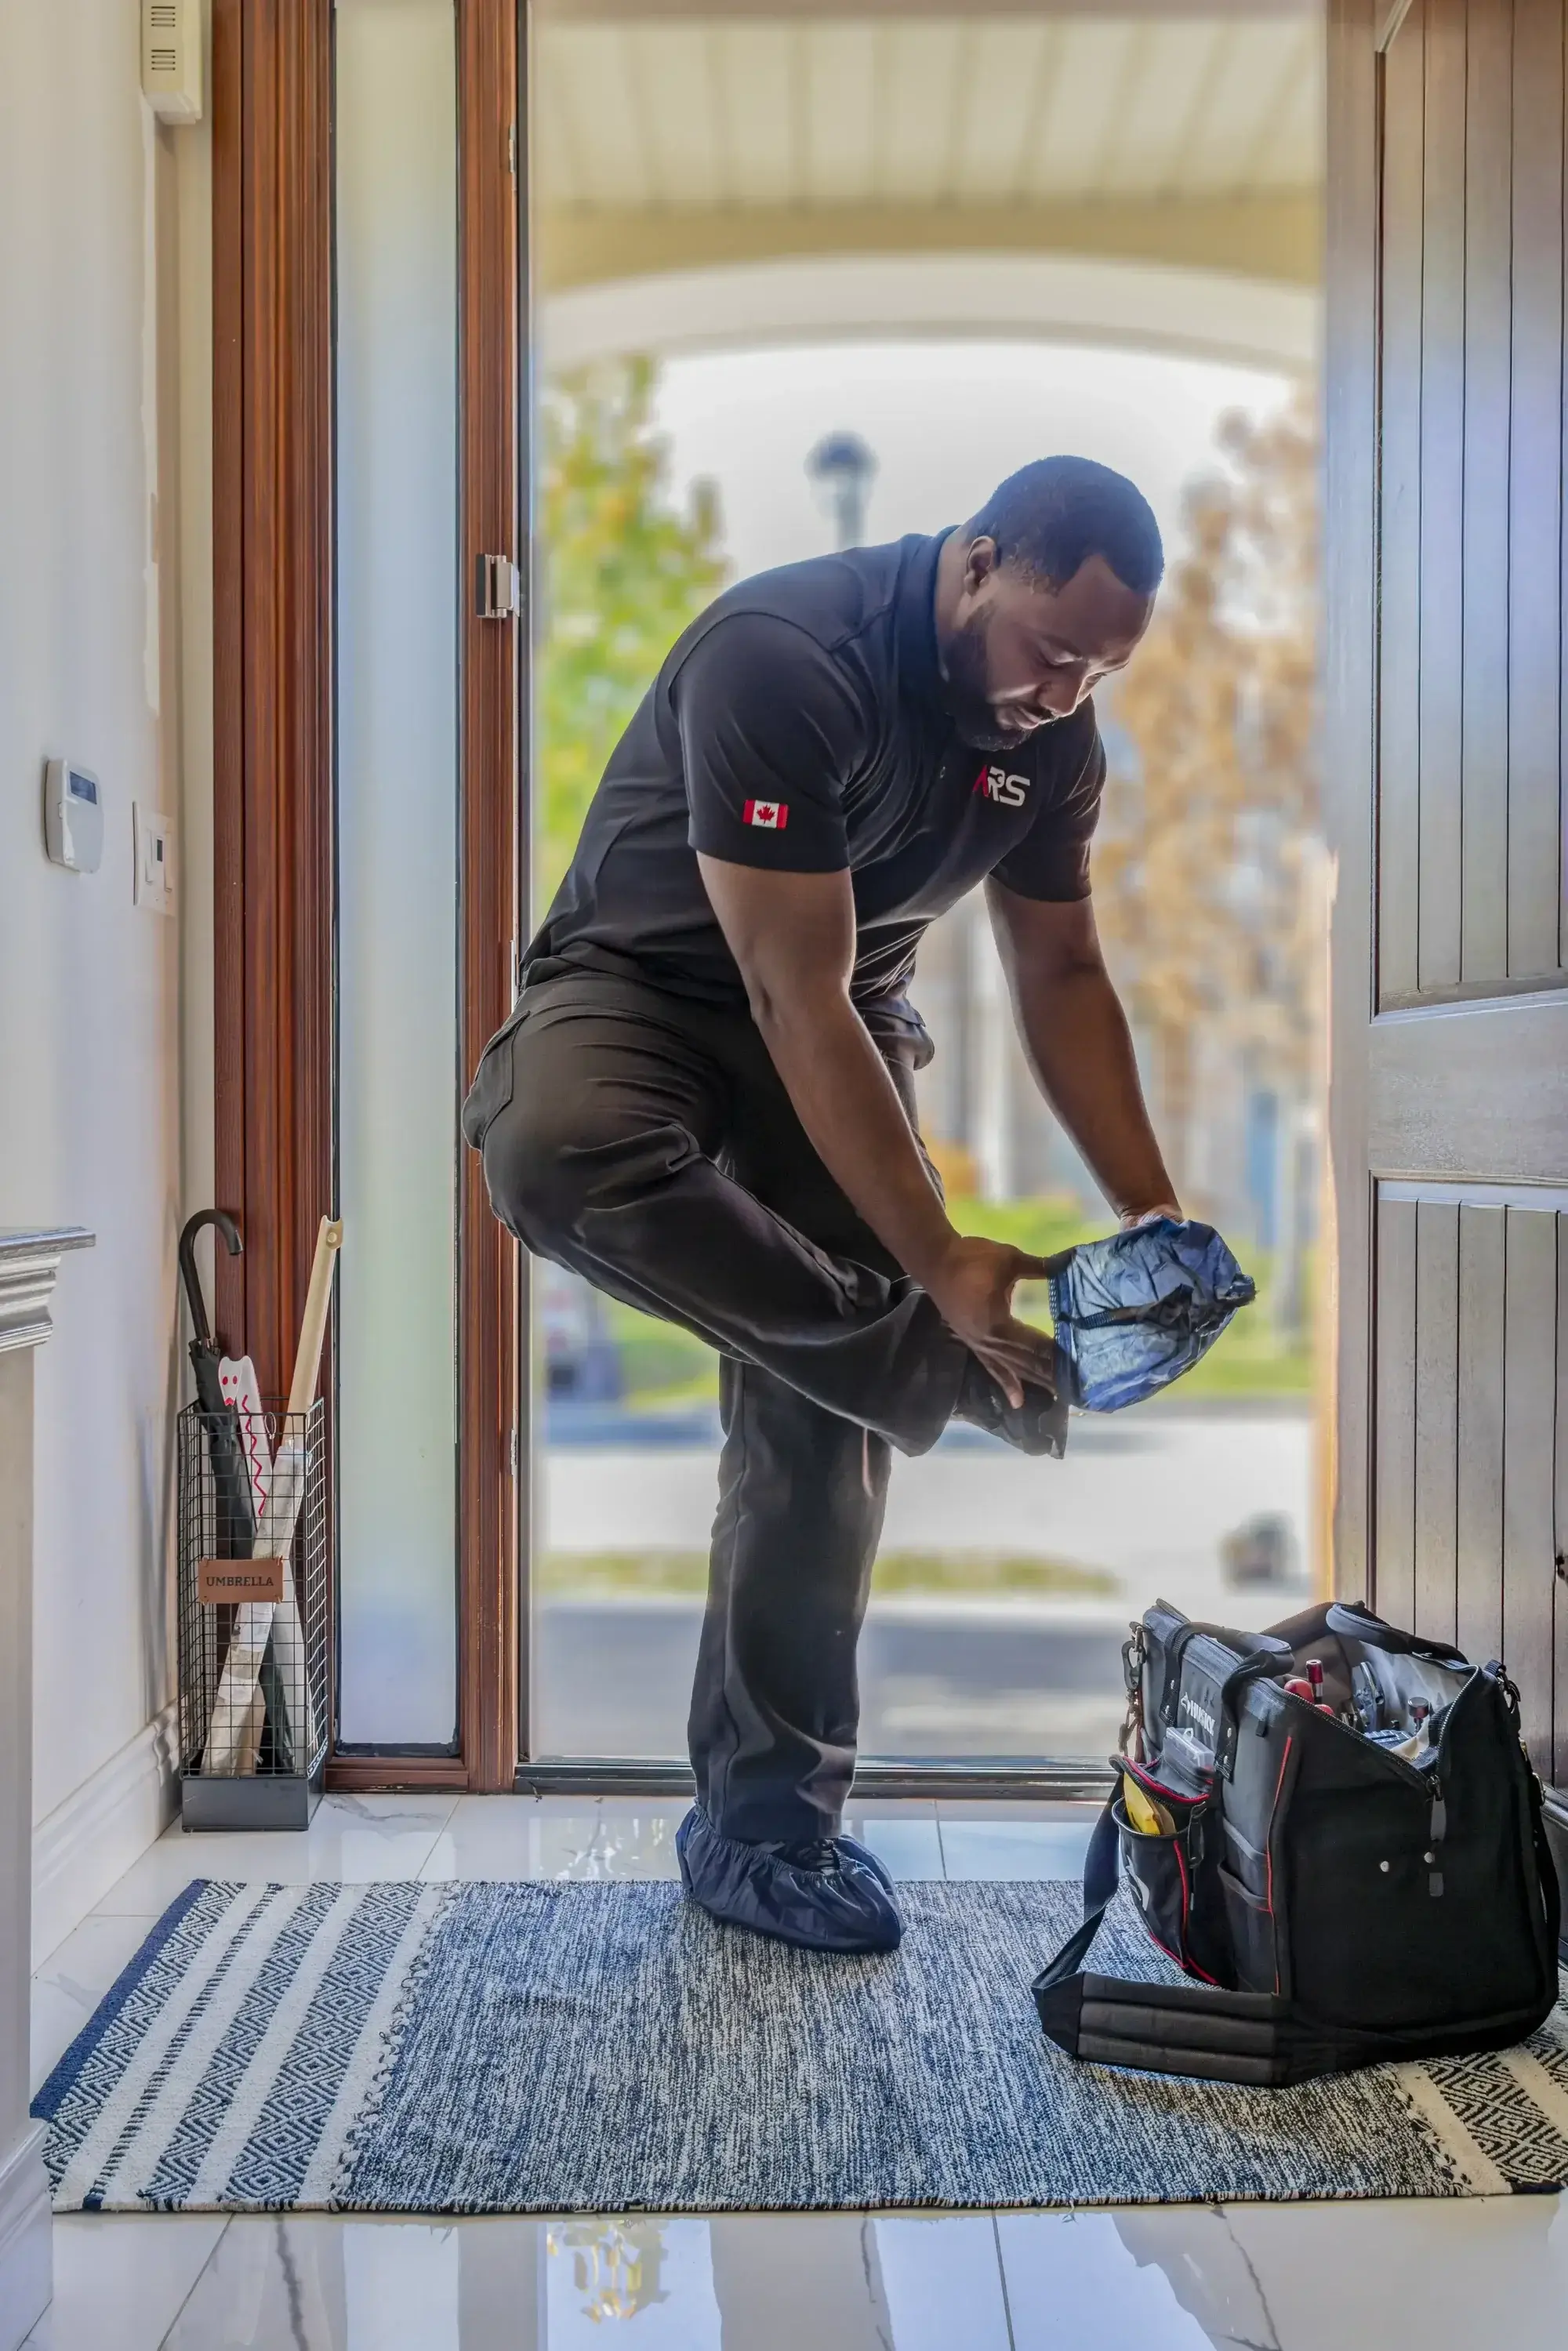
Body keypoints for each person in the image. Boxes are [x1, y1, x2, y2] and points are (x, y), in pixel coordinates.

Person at [463, 455, 1181, 1955]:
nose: (1065, 692)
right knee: (552, 1144)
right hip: (649, 994)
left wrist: (1150, 1213)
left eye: (1102, 669)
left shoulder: (1056, 747)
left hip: (851, 1016)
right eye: (1053, 649)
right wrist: (937, 1269)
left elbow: (1059, 973)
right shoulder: (784, 658)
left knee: (813, 1420)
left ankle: (764, 1835)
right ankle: (931, 1359)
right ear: (979, 562)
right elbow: (787, 988)